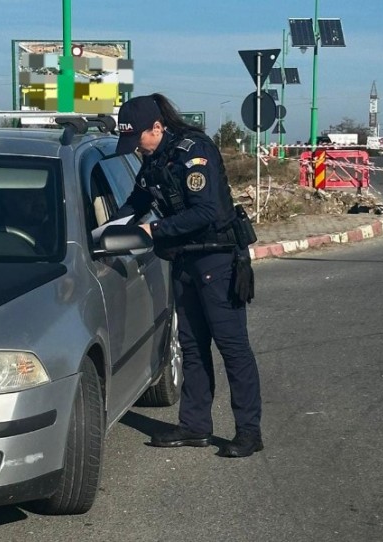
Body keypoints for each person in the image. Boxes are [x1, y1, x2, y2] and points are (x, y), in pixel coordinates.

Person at [113, 93, 263, 458]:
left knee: (232, 348)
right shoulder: (154, 158)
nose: (137, 149)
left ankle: (249, 432)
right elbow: (138, 200)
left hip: (218, 260)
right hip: (184, 262)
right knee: (192, 346)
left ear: (158, 127)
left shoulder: (195, 152)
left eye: (139, 140)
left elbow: (207, 211)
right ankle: (195, 426)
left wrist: (154, 231)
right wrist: (110, 228)